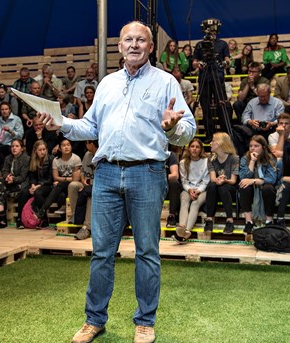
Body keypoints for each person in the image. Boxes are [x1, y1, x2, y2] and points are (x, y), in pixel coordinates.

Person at [40, 21, 195, 343]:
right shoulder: (108, 83)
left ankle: (145, 322)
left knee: (147, 252)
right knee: (101, 253)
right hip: (107, 173)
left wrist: (170, 128)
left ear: (151, 47)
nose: (134, 44)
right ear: (120, 46)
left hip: (147, 173)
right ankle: (94, 320)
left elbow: (189, 129)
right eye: (128, 39)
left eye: (141, 40)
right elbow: (90, 127)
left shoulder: (166, 82)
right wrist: (61, 123)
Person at [193, 19, 230, 144]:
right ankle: (209, 135)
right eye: (210, 30)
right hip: (204, 78)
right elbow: (194, 63)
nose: (212, 33)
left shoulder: (223, 44)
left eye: (214, 31)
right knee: (206, 108)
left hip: (218, 77)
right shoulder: (199, 45)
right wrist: (199, 64)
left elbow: (227, 60)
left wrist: (224, 63)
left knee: (222, 105)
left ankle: (226, 135)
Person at [35, 138, 81, 222]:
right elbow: (55, 177)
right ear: (59, 148)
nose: (66, 147)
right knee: (61, 195)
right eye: (63, 145)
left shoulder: (76, 158)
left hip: (72, 185)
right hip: (60, 187)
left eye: (68, 145)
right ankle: (61, 220)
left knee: (61, 184)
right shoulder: (56, 160)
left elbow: (76, 179)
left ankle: (43, 210)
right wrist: (65, 179)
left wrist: (63, 180)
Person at [239, 135, 278, 233]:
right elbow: (243, 178)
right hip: (251, 188)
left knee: (268, 188)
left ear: (263, 147)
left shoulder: (270, 158)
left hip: (264, 186)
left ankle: (269, 220)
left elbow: (272, 179)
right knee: (244, 187)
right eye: (251, 146)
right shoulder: (245, 158)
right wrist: (252, 162)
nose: (252, 148)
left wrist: (254, 180)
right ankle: (249, 221)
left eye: (256, 146)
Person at [203, 132, 239, 235]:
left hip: (230, 188)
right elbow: (213, 178)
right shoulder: (211, 158)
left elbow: (233, 180)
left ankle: (229, 221)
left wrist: (224, 180)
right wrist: (218, 179)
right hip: (216, 187)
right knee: (212, 185)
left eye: (213, 141)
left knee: (223, 187)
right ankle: (209, 220)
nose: (210, 143)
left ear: (220, 143)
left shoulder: (234, 158)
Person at [175, 138, 209, 240]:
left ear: (201, 149)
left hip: (202, 189)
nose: (194, 149)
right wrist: (190, 190)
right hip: (188, 188)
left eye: (197, 147)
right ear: (189, 148)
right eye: (192, 146)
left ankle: (187, 231)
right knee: (184, 201)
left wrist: (198, 191)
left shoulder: (206, 161)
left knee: (195, 204)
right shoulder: (183, 162)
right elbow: (184, 181)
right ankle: (182, 227)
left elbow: (206, 181)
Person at [0, 139, 29, 228]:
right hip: (10, 182)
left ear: (22, 149)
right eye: (12, 146)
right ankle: (0, 207)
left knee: (2, 190)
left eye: (17, 146)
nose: (14, 148)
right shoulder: (8, 158)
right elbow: (4, 170)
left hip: (21, 184)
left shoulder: (26, 159)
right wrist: (7, 177)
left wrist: (13, 179)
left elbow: (23, 177)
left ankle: (2, 218)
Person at [18, 140, 53, 229]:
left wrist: (39, 185)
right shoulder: (33, 161)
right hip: (36, 185)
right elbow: (32, 176)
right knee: (23, 193)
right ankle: (20, 219)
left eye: (44, 149)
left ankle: (44, 219)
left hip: (47, 185)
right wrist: (33, 184)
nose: (42, 152)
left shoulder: (50, 159)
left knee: (38, 193)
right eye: (40, 150)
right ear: (35, 151)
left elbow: (50, 178)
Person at [72, 140, 98, 240]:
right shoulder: (87, 155)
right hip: (87, 184)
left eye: (87, 143)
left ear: (92, 144)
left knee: (90, 193)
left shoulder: (102, 155)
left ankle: (87, 227)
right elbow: (82, 171)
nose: (86, 145)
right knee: (73, 185)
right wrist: (82, 181)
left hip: (98, 186)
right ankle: (76, 218)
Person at [0, 102, 24, 168]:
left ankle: (4, 168)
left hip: (10, 144)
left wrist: (10, 131)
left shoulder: (16, 119)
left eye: (6, 109)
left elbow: (20, 135)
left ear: (10, 110)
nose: (4, 111)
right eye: (2, 110)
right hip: (0, 143)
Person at [164, 148, 180, 228]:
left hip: (166, 186)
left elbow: (175, 175)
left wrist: (159, 177)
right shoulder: (149, 154)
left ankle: (172, 216)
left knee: (175, 183)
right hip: (152, 185)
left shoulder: (170, 155)